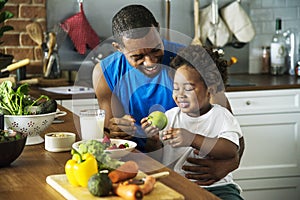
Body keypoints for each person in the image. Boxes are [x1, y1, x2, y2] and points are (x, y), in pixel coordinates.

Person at [92, 4, 245, 186]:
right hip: (133, 169)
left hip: (191, 175)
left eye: (155, 49)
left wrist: (230, 165)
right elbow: (109, 139)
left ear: (157, 29)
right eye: (137, 57)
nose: (150, 62)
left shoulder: (188, 62)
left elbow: (232, 132)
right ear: (118, 48)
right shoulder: (105, 73)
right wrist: (115, 130)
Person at [141, 45, 244, 200]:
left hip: (217, 187)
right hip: (177, 186)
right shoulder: (170, 117)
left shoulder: (221, 116)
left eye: (188, 88)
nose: (180, 95)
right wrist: (153, 141)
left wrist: (192, 139)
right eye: (176, 88)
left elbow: (230, 150)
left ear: (211, 88)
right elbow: (159, 159)